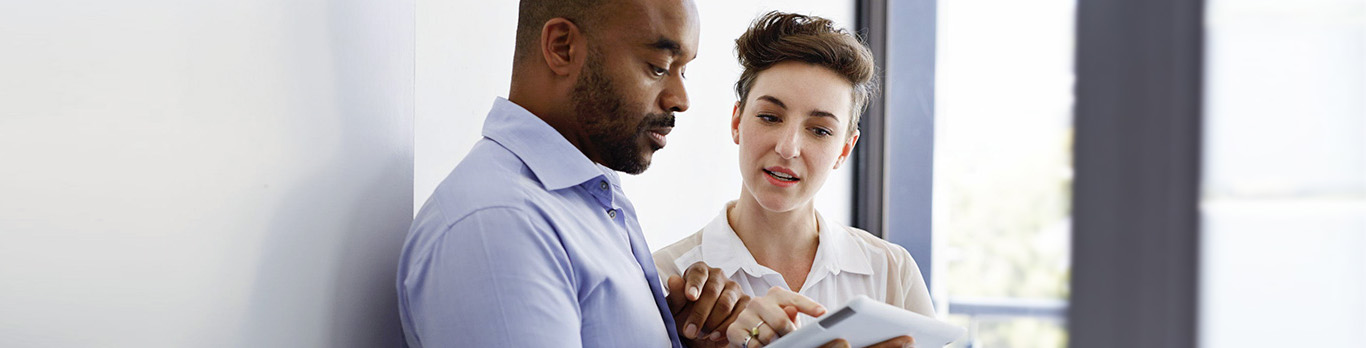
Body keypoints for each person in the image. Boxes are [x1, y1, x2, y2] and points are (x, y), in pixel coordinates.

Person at [396, 0, 747, 347]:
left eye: (683, 70)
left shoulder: (587, 198)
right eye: (658, 66)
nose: (680, 99)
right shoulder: (499, 225)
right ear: (562, 47)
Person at [651, 12, 933, 347]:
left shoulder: (891, 271)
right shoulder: (667, 279)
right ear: (737, 121)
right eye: (770, 117)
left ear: (845, 149)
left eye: (819, 130)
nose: (788, 148)